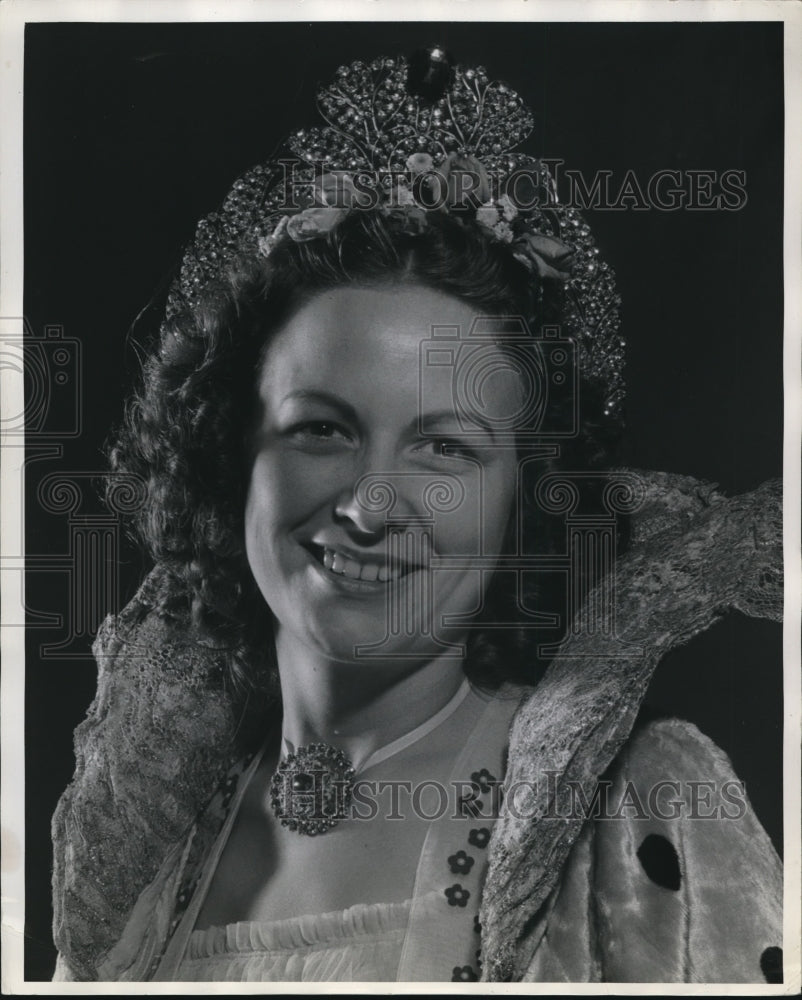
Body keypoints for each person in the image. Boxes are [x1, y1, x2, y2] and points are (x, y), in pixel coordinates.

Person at [50, 48, 783, 984]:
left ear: (526, 492)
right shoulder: (146, 840)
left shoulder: (637, 802)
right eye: (321, 429)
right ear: (232, 454)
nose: (366, 506)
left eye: (444, 449)